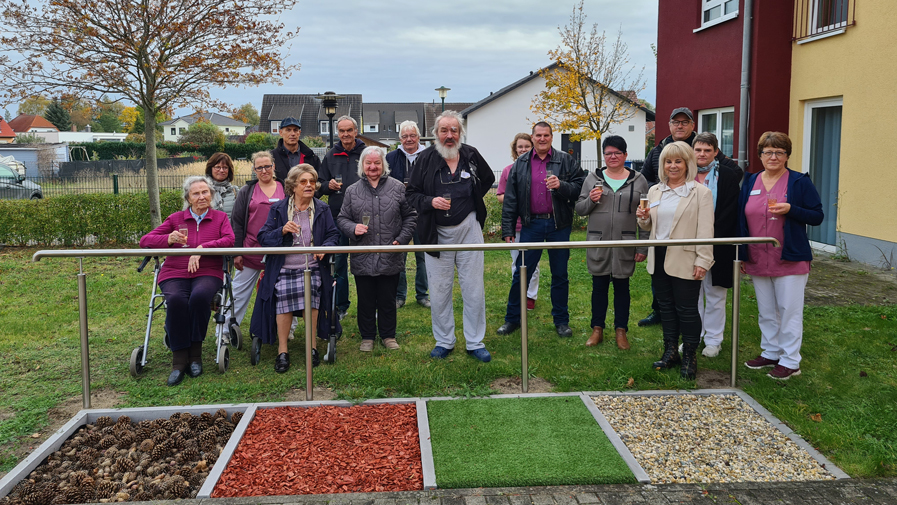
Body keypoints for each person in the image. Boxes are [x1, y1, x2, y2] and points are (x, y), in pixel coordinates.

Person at [638, 107, 742, 327]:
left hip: (711, 237)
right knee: (679, 295)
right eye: (676, 122)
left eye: (685, 122)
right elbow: (646, 178)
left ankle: (711, 338)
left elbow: (734, 176)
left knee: (711, 293)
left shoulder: (711, 170)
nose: (680, 126)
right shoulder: (659, 149)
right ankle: (668, 321)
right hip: (671, 237)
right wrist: (660, 191)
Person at [406, 110, 495, 362]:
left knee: (474, 288)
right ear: (435, 134)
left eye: (453, 130)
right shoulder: (424, 159)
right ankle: (444, 341)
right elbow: (411, 194)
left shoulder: (471, 155)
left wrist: (471, 201)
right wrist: (430, 201)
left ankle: (475, 342)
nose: (449, 135)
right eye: (443, 130)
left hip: (469, 229)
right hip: (436, 233)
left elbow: (487, 179)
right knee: (439, 289)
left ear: (460, 133)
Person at [739, 132, 823, 380]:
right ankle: (771, 352)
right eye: (767, 152)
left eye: (779, 152)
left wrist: (791, 209)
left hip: (790, 256)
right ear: (760, 155)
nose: (773, 156)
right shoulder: (750, 181)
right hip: (757, 257)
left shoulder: (799, 182)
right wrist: (743, 253)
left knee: (789, 310)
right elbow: (741, 219)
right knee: (766, 310)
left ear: (787, 155)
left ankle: (790, 360)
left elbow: (817, 216)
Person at [139, 176, 235, 386]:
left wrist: (202, 249)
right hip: (175, 271)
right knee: (176, 301)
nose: (202, 197)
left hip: (208, 270)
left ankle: (196, 355)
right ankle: (179, 360)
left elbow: (229, 240)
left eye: (205, 192)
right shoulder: (176, 219)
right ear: (188, 198)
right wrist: (167, 240)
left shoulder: (219, 218)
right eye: (196, 193)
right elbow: (145, 240)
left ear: (211, 194)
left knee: (200, 298)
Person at [496, 121, 585, 338]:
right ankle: (512, 319)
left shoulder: (566, 160)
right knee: (521, 273)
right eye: (538, 135)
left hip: (558, 225)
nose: (542, 139)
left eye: (546, 135)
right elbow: (511, 199)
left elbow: (580, 187)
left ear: (552, 137)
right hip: (531, 225)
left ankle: (561, 321)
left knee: (560, 275)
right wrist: (508, 228)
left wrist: (561, 186)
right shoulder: (521, 163)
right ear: (533, 137)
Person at [249, 164, 340, 373]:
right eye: (303, 182)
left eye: (312, 182)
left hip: (312, 266)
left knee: (312, 291)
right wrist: (281, 230)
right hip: (284, 267)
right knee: (282, 293)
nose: (309, 185)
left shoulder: (322, 208)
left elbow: (333, 235)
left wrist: (325, 248)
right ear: (292, 186)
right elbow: (263, 237)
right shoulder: (279, 209)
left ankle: (312, 347)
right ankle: (283, 351)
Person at [636, 141, 714, 380]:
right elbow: (650, 225)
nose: (673, 166)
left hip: (686, 257)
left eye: (678, 161)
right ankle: (670, 352)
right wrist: (643, 219)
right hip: (658, 255)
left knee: (687, 309)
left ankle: (690, 355)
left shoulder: (700, 192)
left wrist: (703, 260)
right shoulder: (654, 191)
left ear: (687, 163)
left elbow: (705, 230)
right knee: (666, 307)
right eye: (668, 161)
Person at [337, 147, 417, 351]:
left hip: (390, 253)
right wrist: (353, 228)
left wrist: (402, 238)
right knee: (365, 300)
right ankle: (368, 337)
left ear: (384, 165)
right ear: (362, 166)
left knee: (387, 299)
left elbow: (410, 216)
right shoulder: (352, 190)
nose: (373, 167)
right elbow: (342, 219)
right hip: (362, 254)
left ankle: (389, 336)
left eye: (377, 163)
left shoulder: (398, 187)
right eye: (369, 163)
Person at [574, 135, 648, 349]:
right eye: (608, 153)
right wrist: (591, 200)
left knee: (622, 288)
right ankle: (597, 329)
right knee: (599, 287)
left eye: (617, 153)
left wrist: (642, 246)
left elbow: (645, 216)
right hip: (598, 242)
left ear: (625, 155)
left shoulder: (639, 180)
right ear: (603, 156)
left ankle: (621, 331)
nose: (613, 156)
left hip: (625, 243)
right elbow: (580, 210)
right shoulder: (592, 179)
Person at [690, 133, 741, 358]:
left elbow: (731, 211)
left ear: (715, 152)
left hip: (718, 241)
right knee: (691, 293)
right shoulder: (684, 173)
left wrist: (711, 236)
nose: (702, 154)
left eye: (707, 150)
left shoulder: (728, 176)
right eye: (698, 150)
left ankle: (714, 339)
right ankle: (694, 335)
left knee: (716, 293)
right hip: (688, 242)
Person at [318, 115, 366, 319]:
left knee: (366, 263)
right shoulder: (330, 156)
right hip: (337, 218)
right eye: (342, 131)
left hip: (364, 217)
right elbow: (318, 185)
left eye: (349, 130)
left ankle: (367, 305)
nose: (345, 134)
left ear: (356, 131)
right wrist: (327, 186)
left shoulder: (366, 153)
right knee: (338, 264)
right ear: (338, 133)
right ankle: (341, 306)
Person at [230, 151, 285, 325]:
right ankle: (225, 331)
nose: (264, 171)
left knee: (285, 291)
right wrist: (237, 252)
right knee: (238, 293)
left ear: (273, 166)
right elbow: (237, 222)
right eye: (259, 167)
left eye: (267, 166)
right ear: (254, 170)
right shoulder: (247, 191)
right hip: (250, 250)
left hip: (280, 251)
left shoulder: (286, 188)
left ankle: (287, 329)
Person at [386, 120, 430, 309]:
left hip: (423, 212)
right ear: (400, 138)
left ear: (418, 137)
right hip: (399, 214)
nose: (409, 139)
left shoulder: (430, 155)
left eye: (412, 135)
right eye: (405, 136)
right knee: (399, 256)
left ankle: (423, 294)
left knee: (423, 255)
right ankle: (399, 295)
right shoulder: (390, 157)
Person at [496, 132, 540, 311]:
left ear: (533, 147)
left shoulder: (538, 169)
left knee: (533, 264)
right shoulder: (508, 170)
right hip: (516, 225)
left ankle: (530, 296)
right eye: (520, 147)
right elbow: (500, 196)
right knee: (517, 263)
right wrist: (518, 199)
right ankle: (518, 295)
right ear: (515, 149)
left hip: (534, 225)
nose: (523, 149)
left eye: (526, 146)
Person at [272, 117, 321, 182]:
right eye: (288, 130)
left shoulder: (311, 157)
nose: (293, 134)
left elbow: (319, 181)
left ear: (299, 133)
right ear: (281, 133)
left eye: (295, 130)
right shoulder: (272, 158)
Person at [206, 152, 239, 220]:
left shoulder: (235, 192)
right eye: (217, 167)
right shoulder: (204, 191)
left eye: (225, 167)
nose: (221, 170)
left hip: (230, 230)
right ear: (210, 169)